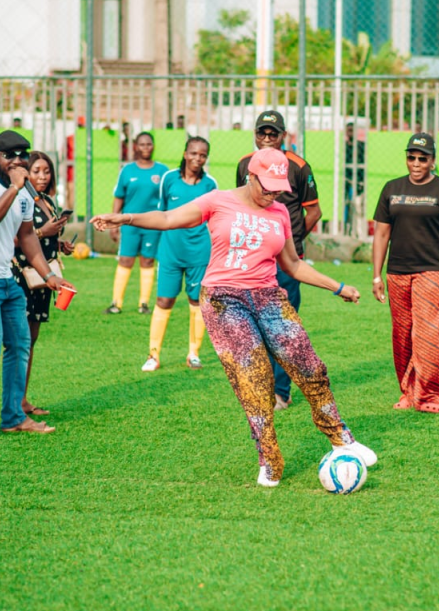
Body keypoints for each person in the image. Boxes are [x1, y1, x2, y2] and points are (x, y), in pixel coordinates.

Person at [92, 147, 377, 488]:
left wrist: (337, 286)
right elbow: (168, 219)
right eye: (266, 185)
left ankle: (340, 437)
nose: (272, 192)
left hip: (268, 296)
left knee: (309, 365)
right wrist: (125, 218)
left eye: (278, 186)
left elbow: (293, 264)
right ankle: (269, 457)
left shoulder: (280, 213)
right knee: (255, 380)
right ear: (250, 176)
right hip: (224, 299)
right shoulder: (218, 200)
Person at [0, 130, 74, 436]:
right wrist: (13, 188)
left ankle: (13, 416)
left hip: (8, 279)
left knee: (20, 344)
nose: (17, 160)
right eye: (9, 155)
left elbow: (26, 236)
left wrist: (49, 275)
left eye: (23, 154)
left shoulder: (25, 191)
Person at [372, 133, 439, 413]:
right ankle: (409, 392)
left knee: (426, 333)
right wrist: (377, 275)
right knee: (402, 334)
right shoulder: (392, 188)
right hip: (398, 272)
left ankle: (432, 396)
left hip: (432, 270)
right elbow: (381, 233)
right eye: (411, 157)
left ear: (432, 161)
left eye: (422, 158)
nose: (416, 163)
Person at [236, 110, 321, 411]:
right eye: (263, 132)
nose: (268, 138)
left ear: (284, 135)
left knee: (282, 325)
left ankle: (280, 393)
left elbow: (313, 212)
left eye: (274, 133)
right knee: (251, 325)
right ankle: (259, 387)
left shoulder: (298, 166)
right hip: (253, 260)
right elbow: (240, 204)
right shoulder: (245, 164)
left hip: (286, 261)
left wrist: (292, 243)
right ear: (256, 134)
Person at [142, 137, 217, 372]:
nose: (198, 158)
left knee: (196, 301)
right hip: (171, 252)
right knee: (164, 300)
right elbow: (162, 212)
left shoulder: (210, 185)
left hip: (199, 252)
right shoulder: (169, 179)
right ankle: (153, 355)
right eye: (193, 153)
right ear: (185, 153)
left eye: (203, 155)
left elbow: (215, 218)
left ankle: (194, 354)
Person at [12, 151, 75, 416]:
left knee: (31, 339)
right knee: (20, 340)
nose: (42, 176)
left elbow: (41, 239)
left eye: (46, 171)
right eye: (36, 170)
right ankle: (14, 403)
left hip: (43, 280)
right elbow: (12, 237)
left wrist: (58, 243)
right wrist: (42, 232)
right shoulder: (17, 197)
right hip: (22, 277)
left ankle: (22, 401)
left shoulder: (47, 199)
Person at [104, 132, 168, 315]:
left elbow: (168, 198)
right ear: (135, 147)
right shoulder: (127, 170)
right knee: (125, 260)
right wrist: (113, 222)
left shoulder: (162, 171)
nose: (146, 147)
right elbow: (119, 197)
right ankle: (116, 303)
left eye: (149, 144)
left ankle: (144, 304)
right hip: (129, 225)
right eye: (142, 144)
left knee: (147, 260)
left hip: (152, 226)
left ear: (153, 146)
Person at [344, 121, 366, 235]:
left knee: (358, 207)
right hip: (346, 180)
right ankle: (345, 229)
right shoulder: (343, 147)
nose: (350, 133)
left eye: (352, 130)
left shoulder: (362, 146)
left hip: (359, 180)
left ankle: (359, 232)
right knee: (345, 205)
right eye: (349, 130)